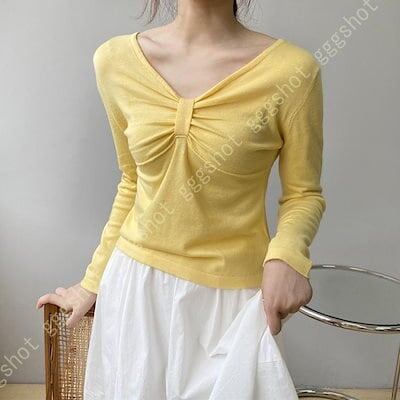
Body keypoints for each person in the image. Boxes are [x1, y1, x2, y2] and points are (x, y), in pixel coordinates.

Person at [36, 0, 326, 398]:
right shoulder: (115, 61)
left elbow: (303, 194)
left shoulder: (293, 71)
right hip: (136, 291)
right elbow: (133, 182)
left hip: (231, 302)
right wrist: (92, 282)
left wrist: (288, 255)